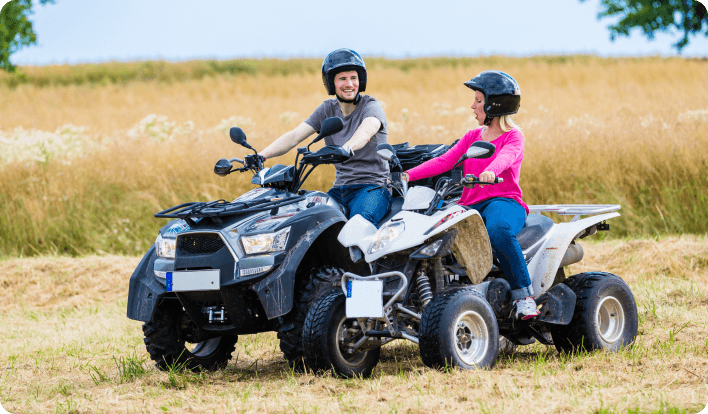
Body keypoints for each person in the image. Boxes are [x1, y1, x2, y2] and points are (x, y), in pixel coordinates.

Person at [402, 70, 540, 320]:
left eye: (478, 100)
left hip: (504, 201)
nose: (472, 107)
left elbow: (506, 158)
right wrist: (408, 175)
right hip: (469, 204)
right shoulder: (471, 137)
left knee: (499, 229)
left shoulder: (513, 136)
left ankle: (524, 297)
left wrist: (490, 171)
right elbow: (444, 161)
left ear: (494, 105)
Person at [256, 48, 391, 226]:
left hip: (373, 187)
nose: (349, 84)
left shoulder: (371, 106)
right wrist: (260, 155)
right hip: (339, 190)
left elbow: (366, 131)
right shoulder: (327, 109)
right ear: (331, 83)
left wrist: (347, 147)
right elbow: (295, 135)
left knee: (358, 224)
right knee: (310, 224)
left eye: (354, 78)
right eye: (342, 79)